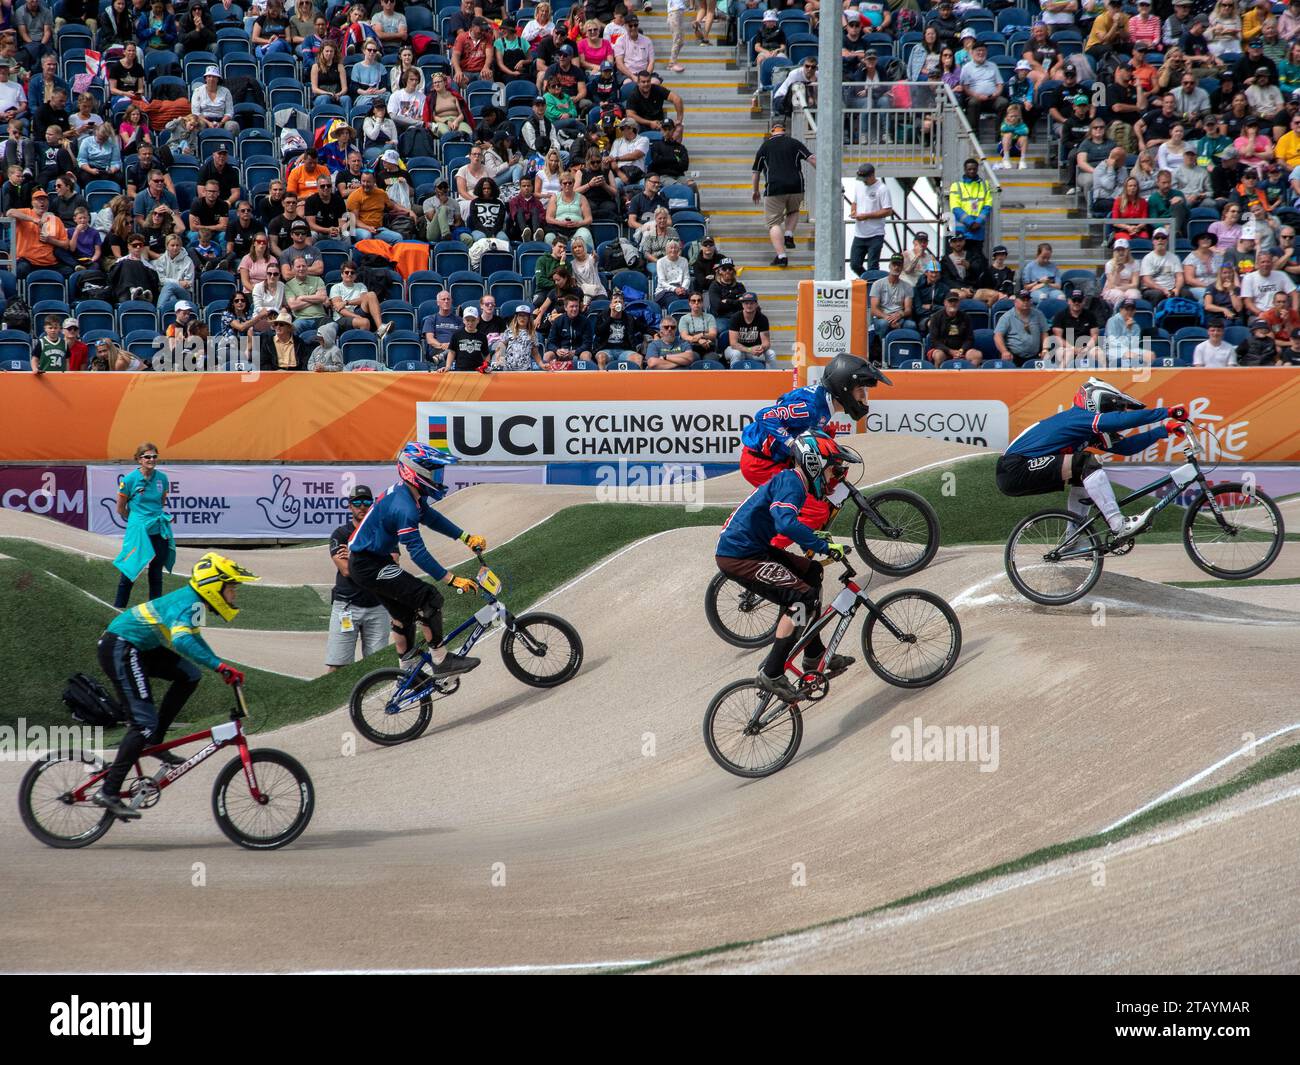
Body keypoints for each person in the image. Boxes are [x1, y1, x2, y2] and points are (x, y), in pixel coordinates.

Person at [92, 552, 258, 819]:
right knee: (142, 723)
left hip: (138, 647)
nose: (234, 595)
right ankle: (109, 790)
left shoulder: (195, 603)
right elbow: (181, 642)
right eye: (231, 588)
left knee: (189, 675)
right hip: (121, 646)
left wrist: (219, 665)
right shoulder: (189, 603)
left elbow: (194, 639)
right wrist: (218, 666)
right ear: (214, 587)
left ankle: (155, 740)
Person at [715, 433, 859, 703]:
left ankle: (813, 654)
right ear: (816, 464)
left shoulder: (794, 481)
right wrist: (822, 545)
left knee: (812, 573)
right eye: (834, 470)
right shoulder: (793, 482)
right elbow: (784, 523)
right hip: (739, 555)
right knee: (802, 598)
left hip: (752, 548)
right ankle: (772, 672)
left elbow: (786, 522)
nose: (835, 478)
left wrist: (817, 540)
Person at [346, 443, 486, 680]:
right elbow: (418, 553)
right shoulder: (404, 507)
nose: (439, 477)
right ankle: (441, 660)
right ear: (416, 472)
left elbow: (432, 518)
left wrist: (465, 537)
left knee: (405, 614)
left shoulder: (409, 493)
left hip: (369, 562)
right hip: (368, 565)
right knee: (429, 597)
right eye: (435, 472)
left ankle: (407, 671)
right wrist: (452, 579)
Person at [996, 378, 1188, 539]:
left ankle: (1073, 538)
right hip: (1014, 467)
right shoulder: (1079, 417)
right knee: (1087, 461)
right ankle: (1118, 525)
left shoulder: (1086, 430)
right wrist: (1166, 412)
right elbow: (1120, 420)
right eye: (1113, 407)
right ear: (1096, 401)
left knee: (1083, 474)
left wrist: (1164, 430)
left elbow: (1127, 448)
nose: (1116, 413)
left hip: (1018, 469)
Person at [740, 353, 890, 545]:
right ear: (844, 387)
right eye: (860, 389)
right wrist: (790, 443)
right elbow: (765, 415)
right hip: (761, 463)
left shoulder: (824, 404)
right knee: (815, 512)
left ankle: (792, 534)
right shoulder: (811, 407)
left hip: (779, 460)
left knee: (829, 484)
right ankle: (769, 553)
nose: (863, 396)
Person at [327, 485, 391, 669]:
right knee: (338, 666)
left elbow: (391, 567)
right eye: (357, 502)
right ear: (350, 506)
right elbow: (346, 570)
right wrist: (376, 558)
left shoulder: (382, 532)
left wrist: (356, 555)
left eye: (366, 502)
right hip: (346, 605)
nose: (362, 506)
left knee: (377, 667)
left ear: (372, 506)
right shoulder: (340, 535)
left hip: (378, 606)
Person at [111, 441, 175, 609]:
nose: (151, 459)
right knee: (130, 569)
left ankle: (155, 610)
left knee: (156, 572)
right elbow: (120, 508)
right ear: (139, 459)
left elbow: (161, 502)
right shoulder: (130, 479)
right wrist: (136, 521)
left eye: (154, 456)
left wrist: (153, 517)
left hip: (157, 529)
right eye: (147, 457)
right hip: (139, 531)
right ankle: (118, 608)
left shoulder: (162, 478)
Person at [750, 119, 814, 267]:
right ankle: (789, 233)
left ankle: (782, 256)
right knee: (793, 210)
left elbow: (756, 171)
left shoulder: (765, 146)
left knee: (774, 223)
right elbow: (811, 158)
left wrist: (755, 191)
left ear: (772, 131)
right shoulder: (794, 143)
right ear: (785, 130)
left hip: (774, 188)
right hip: (796, 185)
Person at [849, 161, 892, 277]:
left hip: (875, 234)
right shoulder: (859, 186)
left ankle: (872, 286)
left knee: (872, 265)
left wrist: (866, 216)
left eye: (865, 178)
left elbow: (888, 210)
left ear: (872, 175)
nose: (863, 181)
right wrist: (853, 211)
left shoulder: (882, 189)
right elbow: (855, 202)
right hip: (859, 234)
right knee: (854, 264)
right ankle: (867, 280)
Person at [948, 156, 993, 256]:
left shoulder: (984, 185)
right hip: (962, 232)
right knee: (961, 260)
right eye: (969, 169)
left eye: (974, 169)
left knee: (976, 261)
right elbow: (955, 208)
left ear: (977, 169)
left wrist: (977, 222)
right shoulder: (956, 185)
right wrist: (971, 223)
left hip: (977, 230)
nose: (972, 171)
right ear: (965, 170)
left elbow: (987, 206)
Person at [994, 289, 1051, 366]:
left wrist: (1045, 349)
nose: (1025, 302)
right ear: (1015, 302)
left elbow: (1044, 333)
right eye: (1022, 300)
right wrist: (1004, 351)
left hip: (1036, 355)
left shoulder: (1038, 314)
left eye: (1028, 300)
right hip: (1013, 356)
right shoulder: (1007, 317)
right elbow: (997, 336)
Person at [927, 291, 981, 365]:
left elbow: (969, 338)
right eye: (950, 301)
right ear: (945, 303)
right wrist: (950, 351)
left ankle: (970, 376)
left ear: (959, 303)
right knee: (938, 355)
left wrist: (962, 350)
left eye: (955, 301)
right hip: (942, 350)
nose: (953, 303)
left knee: (977, 355)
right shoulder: (936, 317)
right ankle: (939, 376)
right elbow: (934, 341)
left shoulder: (966, 317)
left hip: (961, 350)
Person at [724, 292, 775, 367]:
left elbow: (766, 342)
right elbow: (733, 344)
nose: (749, 305)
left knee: (771, 353)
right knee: (736, 354)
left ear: (756, 304)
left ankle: (771, 377)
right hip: (736, 349)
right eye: (746, 303)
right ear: (742, 305)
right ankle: (734, 377)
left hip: (754, 351)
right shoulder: (735, 318)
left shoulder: (762, 318)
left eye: (751, 303)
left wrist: (762, 348)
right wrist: (750, 350)